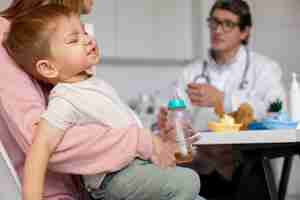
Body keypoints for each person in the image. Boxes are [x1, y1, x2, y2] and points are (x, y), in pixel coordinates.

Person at [4, 4, 203, 200]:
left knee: (184, 179)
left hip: (129, 169)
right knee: (187, 181)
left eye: (84, 32)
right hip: (114, 178)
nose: (87, 40)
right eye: (74, 40)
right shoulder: (65, 98)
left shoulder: (93, 84)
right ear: (48, 68)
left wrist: (160, 141)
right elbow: (40, 148)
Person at [159, 0, 286, 199]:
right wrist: (169, 119)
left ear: (244, 32)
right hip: (200, 168)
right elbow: (173, 116)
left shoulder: (265, 68)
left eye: (228, 24)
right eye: (214, 22)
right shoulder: (191, 72)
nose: (218, 30)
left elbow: (277, 110)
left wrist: (223, 100)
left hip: (246, 166)